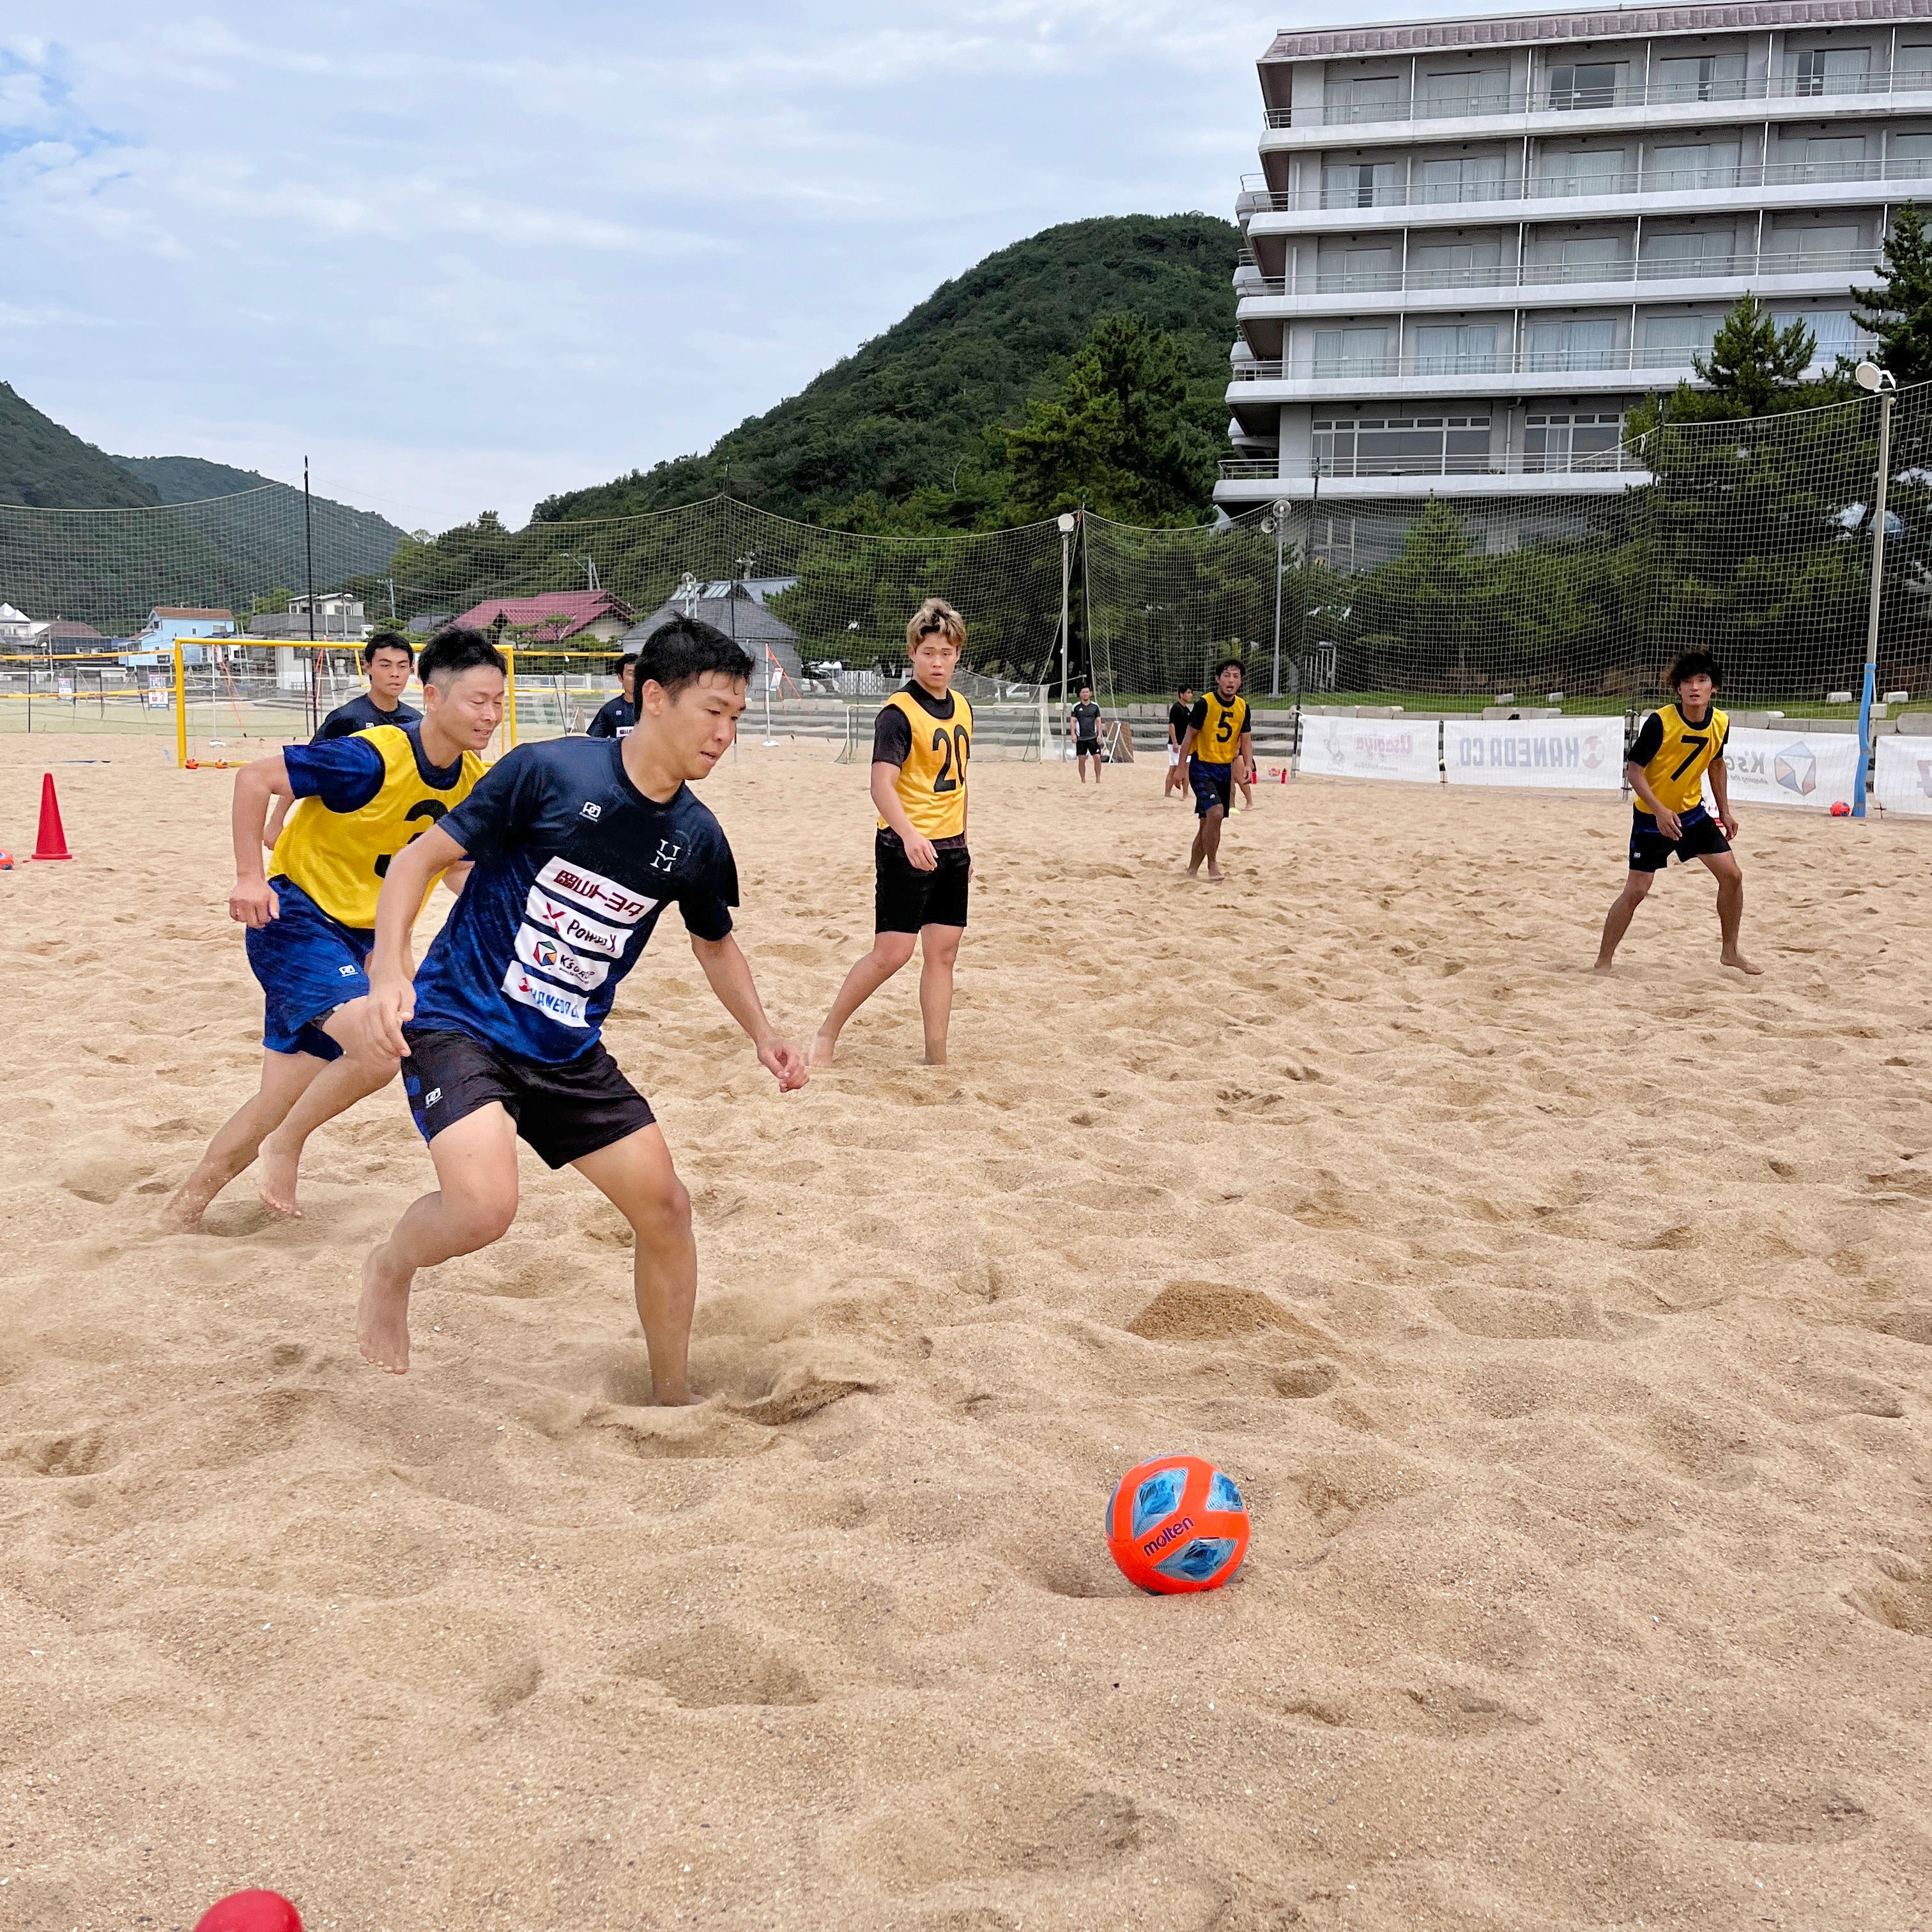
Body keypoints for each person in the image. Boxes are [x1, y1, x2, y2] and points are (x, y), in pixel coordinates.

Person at [352, 617, 808, 1386]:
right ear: (654, 698)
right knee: (485, 1207)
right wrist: (389, 970)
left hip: (567, 1047)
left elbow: (713, 941)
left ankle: (670, 1396)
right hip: (461, 1020)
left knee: (665, 1209)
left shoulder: (698, 838)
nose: (725, 734)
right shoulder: (550, 773)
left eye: (736, 717)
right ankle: (390, 1267)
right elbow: (416, 859)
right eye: (713, 711)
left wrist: (763, 1033)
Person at [162, 628, 505, 1230]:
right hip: (294, 920)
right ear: (433, 697)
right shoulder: (370, 754)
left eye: (499, 701)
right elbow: (254, 779)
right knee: (379, 1046)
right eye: (478, 701)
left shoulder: (474, 779)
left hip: (363, 942)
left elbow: (456, 869)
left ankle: (178, 1215)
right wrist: (250, 877)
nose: (491, 714)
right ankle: (289, 1145)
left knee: (278, 1098)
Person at [810, 597, 972, 1069]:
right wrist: (909, 835)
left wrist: (963, 843)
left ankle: (936, 1056)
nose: (937, 661)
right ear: (913, 654)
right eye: (928, 653)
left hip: (952, 849)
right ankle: (828, 1031)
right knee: (892, 953)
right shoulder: (897, 713)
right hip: (905, 846)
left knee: (943, 954)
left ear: (957, 653)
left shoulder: (962, 707)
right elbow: (881, 785)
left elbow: (961, 784)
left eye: (945, 652)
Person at [1594, 650, 1760, 977]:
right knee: (1637, 891)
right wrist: (1659, 811)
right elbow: (1634, 771)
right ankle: (1603, 962)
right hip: (1650, 816)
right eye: (1687, 682)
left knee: (1733, 875)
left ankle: (1731, 952)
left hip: (1692, 814)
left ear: (1715, 688)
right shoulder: (1660, 721)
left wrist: (1724, 811)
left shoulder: (1720, 723)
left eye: (1702, 681)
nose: (1694, 688)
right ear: (1678, 689)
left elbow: (1715, 762)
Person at [264, 632, 423, 848]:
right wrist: (276, 822)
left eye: (402, 666)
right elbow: (304, 769)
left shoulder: (415, 722)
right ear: (368, 667)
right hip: (344, 831)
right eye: (385, 665)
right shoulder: (345, 719)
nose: (395, 674)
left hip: (391, 831)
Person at [1178, 658, 1252, 882]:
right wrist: (1181, 768)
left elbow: (1246, 740)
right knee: (1216, 813)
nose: (1231, 680)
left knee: (1207, 822)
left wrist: (1248, 764)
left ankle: (1192, 870)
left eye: (1236, 676)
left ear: (1240, 682)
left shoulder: (1242, 707)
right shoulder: (1205, 703)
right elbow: (1189, 736)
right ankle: (1213, 864)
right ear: (1218, 679)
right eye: (1227, 675)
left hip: (1224, 769)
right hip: (1201, 766)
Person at [586, 653, 639, 739]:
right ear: (620, 678)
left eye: (639, 673)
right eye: (631, 674)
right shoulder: (610, 709)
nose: (636, 678)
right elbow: (594, 741)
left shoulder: (656, 707)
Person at [1164, 684, 1195, 799]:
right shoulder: (1176, 708)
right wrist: (1175, 742)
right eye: (1188, 692)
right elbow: (1171, 725)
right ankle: (1185, 794)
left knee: (1173, 768)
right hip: (1177, 744)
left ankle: (1167, 793)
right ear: (1181, 694)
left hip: (1180, 743)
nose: (1190, 695)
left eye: (1191, 692)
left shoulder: (1186, 709)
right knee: (1186, 766)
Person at [1068, 683, 1103, 784]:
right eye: (1083, 692)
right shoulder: (1076, 707)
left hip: (1093, 736)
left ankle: (1098, 779)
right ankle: (1083, 780)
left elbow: (1098, 721)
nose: (1085, 694)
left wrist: (1099, 734)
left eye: (1087, 692)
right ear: (1080, 694)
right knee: (1082, 759)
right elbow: (1073, 721)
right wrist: (1073, 734)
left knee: (1097, 757)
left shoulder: (1095, 706)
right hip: (1081, 738)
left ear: (1090, 693)